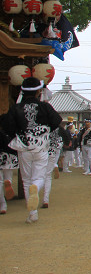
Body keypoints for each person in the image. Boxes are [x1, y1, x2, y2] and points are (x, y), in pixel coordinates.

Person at [0, 77, 62, 224]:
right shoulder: (45, 106)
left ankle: (32, 214)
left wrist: (19, 132)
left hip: (24, 147)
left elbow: (7, 127)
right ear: (38, 91)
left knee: (26, 180)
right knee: (39, 177)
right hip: (41, 147)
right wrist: (44, 131)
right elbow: (56, 121)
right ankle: (37, 188)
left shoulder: (16, 108)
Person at [0, 128, 19, 214]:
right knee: (8, 176)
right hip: (9, 155)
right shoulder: (6, 131)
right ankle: (8, 182)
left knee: (0, 182)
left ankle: (3, 204)